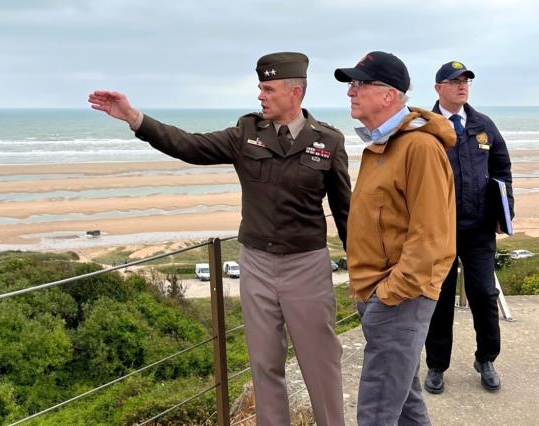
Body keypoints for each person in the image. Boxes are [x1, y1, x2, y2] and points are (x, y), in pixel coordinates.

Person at [89, 52, 350, 425]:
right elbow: (189, 146)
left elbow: (346, 214)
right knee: (264, 366)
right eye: (260, 87)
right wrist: (135, 118)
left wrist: (361, 272)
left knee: (321, 364)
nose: (260, 95)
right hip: (257, 265)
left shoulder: (328, 142)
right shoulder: (247, 134)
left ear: (295, 92)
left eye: (268, 88)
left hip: (306, 266)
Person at [334, 51, 456, 425]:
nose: (351, 92)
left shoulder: (418, 147)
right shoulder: (382, 143)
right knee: (404, 403)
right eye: (350, 84)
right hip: (378, 291)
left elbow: (431, 235)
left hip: (400, 295)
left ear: (388, 95)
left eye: (359, 84)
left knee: (375, 411)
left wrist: (389, 295)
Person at [424, 61, 514, 394]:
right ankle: (436, 365)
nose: (462, 86)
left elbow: (502, 168)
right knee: (439, 298)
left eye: (466, 81)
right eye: (454, 81)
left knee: (485, 295)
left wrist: (505, 214)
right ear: (438, 88)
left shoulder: (482, 125)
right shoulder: (426, 127)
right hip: (438, 232)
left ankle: (486, 358)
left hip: (478, 230)